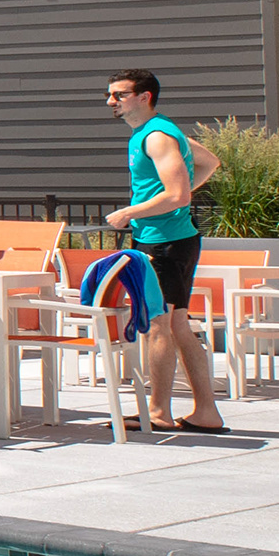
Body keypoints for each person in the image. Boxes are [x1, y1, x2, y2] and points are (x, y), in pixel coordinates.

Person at [105, 68, 226, 433]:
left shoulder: (157, 136)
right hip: (172, 238)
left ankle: (158, 412)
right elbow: (209, 163)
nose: (111, 101)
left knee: (158, 326)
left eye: (119, 94)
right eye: (110, 94)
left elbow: (178, 195)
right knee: (177, 326)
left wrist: (130, 212)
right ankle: (207, 413)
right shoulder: (158, 132)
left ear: (144, 97)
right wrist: (164, 201)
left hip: (164, 241)